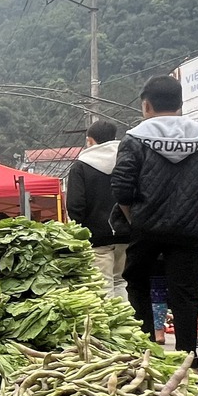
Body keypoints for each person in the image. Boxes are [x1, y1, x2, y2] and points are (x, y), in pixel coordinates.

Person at [112, 75, 198, 377]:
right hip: (188, 230)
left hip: (146, 228)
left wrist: (136, 220)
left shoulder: (134, 139)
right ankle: (188, 364)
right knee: (185, 293)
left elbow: (122, 190)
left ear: (146, 105)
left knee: (137, 283)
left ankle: (145, 358)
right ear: (180, 104)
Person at [66, 120, 131, 299]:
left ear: (90, 140)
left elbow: (75, 205)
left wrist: (79, 232)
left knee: (103, 285)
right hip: (126, 234)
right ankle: (127, 316)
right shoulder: (126, 161)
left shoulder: (81, 166)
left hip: (97, 237)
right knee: (121, 282)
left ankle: (111, 317)